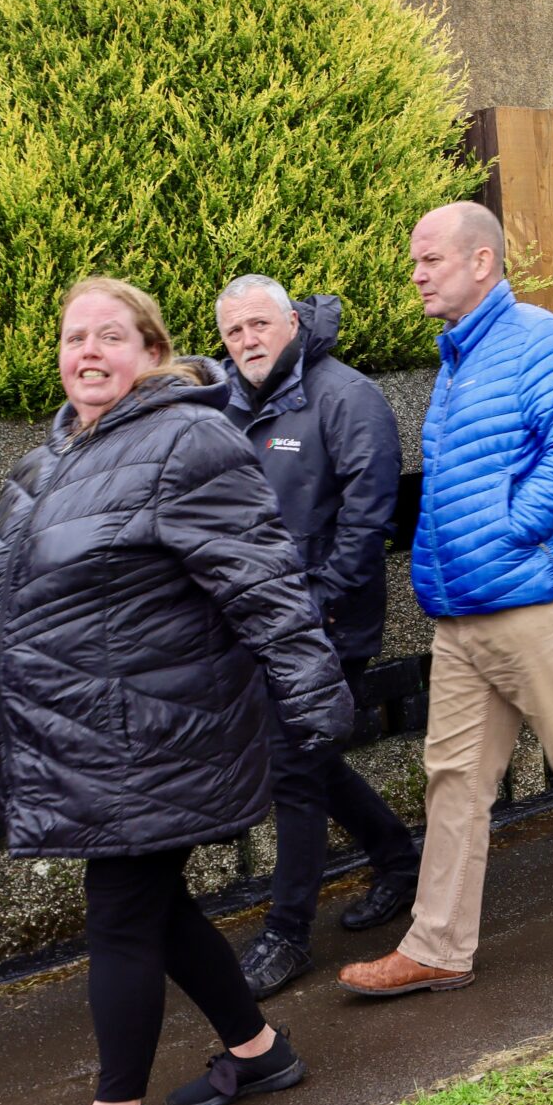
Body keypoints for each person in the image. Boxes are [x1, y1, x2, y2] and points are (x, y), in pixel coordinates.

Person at [0, 277, 353, 1105]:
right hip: (86, 728)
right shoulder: (58, 448)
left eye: (110, 337)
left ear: (153, 351)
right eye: (73, 335)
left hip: (157, 731)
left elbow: (262, 577)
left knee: (121, 917)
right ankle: (259, 1049)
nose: (86, 352)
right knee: (157, 911)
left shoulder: (187, 438)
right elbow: (14, 575)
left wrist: (314, 695)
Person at [338, 203, 553, 999]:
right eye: (417, 261)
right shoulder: (458, 359)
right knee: (453, 776)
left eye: (431, 259)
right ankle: (438, 944)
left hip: (532, 597)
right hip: (461, 613)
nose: (417, 274)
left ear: (482, 262)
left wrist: (511, 531)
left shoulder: (537, 337)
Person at [214, 275, 417, 998]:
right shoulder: (230, 401)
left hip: (328, 622)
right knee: (309, 762)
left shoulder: (344, 394)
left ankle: (288, 932)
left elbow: (368, 517)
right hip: (257, 622)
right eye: (234, 331)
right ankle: (399, 858)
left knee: (296, 768)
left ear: (292, 320)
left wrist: (317, 609)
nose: (247, 340)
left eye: (259, 324)